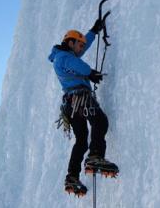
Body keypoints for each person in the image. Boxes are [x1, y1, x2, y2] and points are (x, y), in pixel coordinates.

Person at [48, 19, 118, 196]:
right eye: (78, 45)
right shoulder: (63, 57)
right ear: (70, 43)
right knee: (100, 121)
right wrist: (90, 73)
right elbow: (75, 64)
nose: (81, 49)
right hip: (80, 98)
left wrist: (93, 31)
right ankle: (95, 156)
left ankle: (72, 176)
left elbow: (80, 53)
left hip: (71, 104)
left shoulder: (65, 55)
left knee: (81, 140)